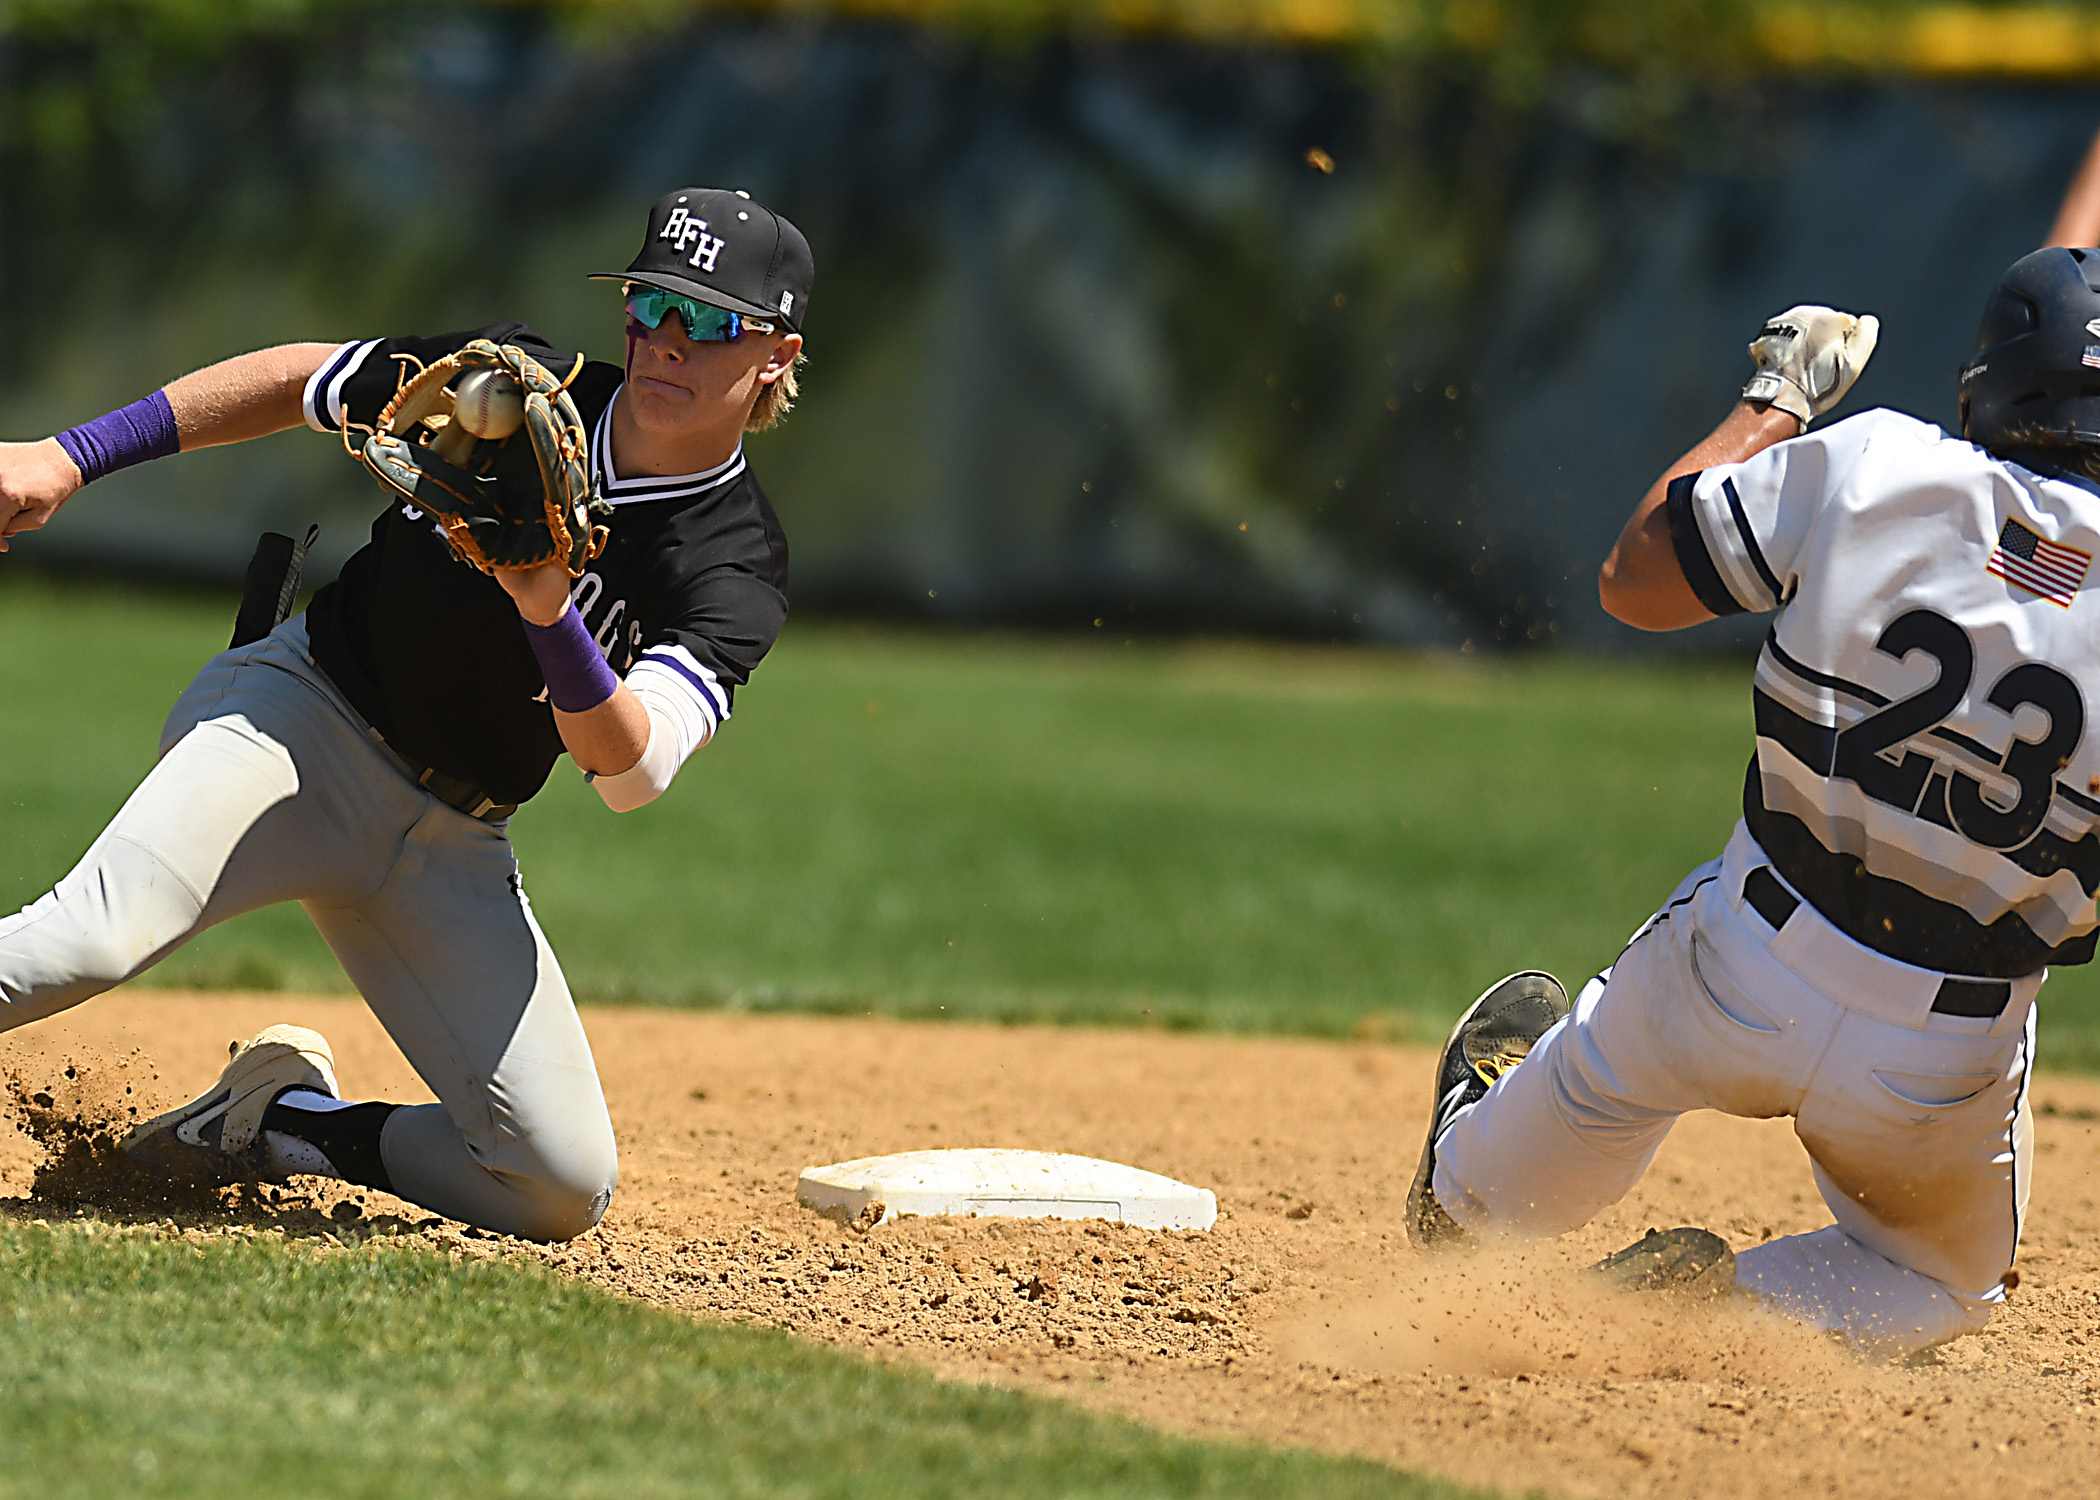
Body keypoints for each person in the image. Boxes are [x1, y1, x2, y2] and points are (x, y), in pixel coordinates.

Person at [0, 187, 811, 1241]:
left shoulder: (737, 561)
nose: (667, 341)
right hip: (297, 726)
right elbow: (306, 380)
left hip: (453, 841)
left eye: (709, 322)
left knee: (556, 1183)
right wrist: (70, 456)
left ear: (777, 356)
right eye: (651, 307)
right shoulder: (514, 391)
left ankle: (277, 1121)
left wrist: (546, 610)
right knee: (82, 947)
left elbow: (631, 772)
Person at [1407, 258, 2100, 1355]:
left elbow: (1633, 582)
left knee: (1484, 1195)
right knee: (1940, 1285)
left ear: (1992, 384)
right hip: (1942, 1060)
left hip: (1738, 961)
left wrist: (1775, 399)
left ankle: (1475, 1180)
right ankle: (1714, 1322)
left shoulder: (1877, 464)